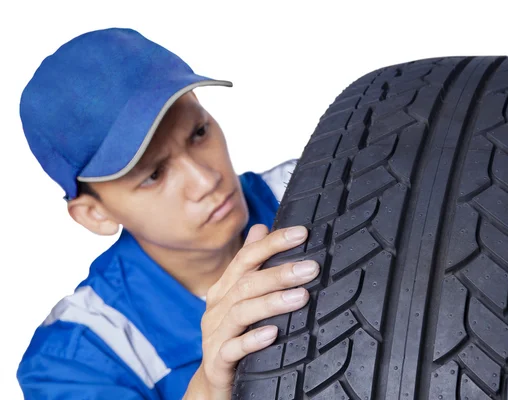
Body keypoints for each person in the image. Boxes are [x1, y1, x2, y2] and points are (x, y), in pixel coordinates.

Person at [17, 27, 319, 400]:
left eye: (198, 132)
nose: (206, 179)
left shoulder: (320, 184)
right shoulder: (76, 362)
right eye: (154, 175)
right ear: (95, 214)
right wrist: (209, 388)